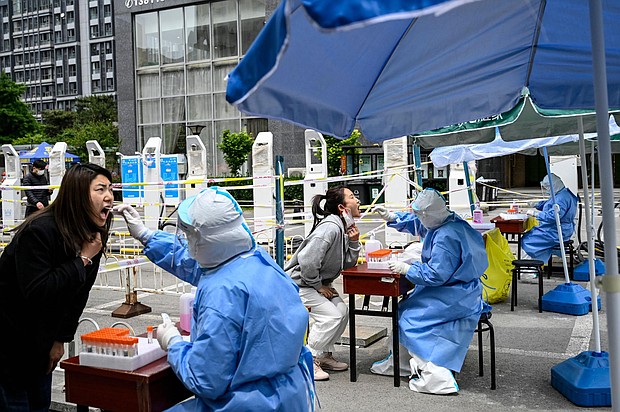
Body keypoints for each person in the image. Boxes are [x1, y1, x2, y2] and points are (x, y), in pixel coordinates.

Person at [114, 186, 314, 411]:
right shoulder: (256, 260)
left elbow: (206, 379)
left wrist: (174, 344)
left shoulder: (221, 294)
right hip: (292, 395)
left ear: (203, 238)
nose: (186, 239)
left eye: (188, 233)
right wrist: (147, 235)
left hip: (247, 403)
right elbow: (197, 262)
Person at [0, 163, 113, 411]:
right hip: (8, 342)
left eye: (110, 189)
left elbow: (78, 296)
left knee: (39, 405)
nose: (109, 197)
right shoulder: (39, 231)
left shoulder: (92, 234)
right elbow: (39, 290)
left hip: (40, 343)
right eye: (100, 189)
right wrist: (82, 259)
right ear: (78, 195)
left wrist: (61, 339)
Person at [372, 188, 487, 394]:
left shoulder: (445, 236)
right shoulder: (448, 221)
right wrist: (393, 217)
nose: (417, 217)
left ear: (428, 213)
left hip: (453, 295)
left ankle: (436, 376)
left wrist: (407, 269)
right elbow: (420, 222)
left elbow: (436, 275)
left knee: (411, 319)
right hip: (460, 290)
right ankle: (401, 363)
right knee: (403, 308)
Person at [285, 186, 361, 381]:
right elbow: (308, 260)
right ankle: (308, 358)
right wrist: (319, 285)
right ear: (342, 208)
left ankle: (324, 355)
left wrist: (354, 242)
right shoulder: (330, 227)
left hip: (313, 283)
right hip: (299, 285)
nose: (358, 200)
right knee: (332, 317)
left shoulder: (341, 227)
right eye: (352, 197)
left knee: (342, 313)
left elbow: (346, 263)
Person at [522, 174, 578, 281]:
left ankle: (527, 272)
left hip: (555, 231)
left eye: (547, 187)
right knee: (531, 235)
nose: (546, 190)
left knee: (527, 241)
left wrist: (536, 214)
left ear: (553, 185)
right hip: (559, 229)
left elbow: (554, 216)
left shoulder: (561, 198)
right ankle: (533, 268)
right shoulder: (563, 194)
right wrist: (537, 204)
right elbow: (550, 204)